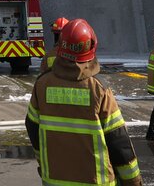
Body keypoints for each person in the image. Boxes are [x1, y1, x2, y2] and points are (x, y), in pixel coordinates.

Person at [26, 18, 141, 186]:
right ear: (90, 48)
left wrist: (44, 162)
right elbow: (118, 141)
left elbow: (32, 127)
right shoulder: (98, 89)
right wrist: (133, 180)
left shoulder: (42, 85)